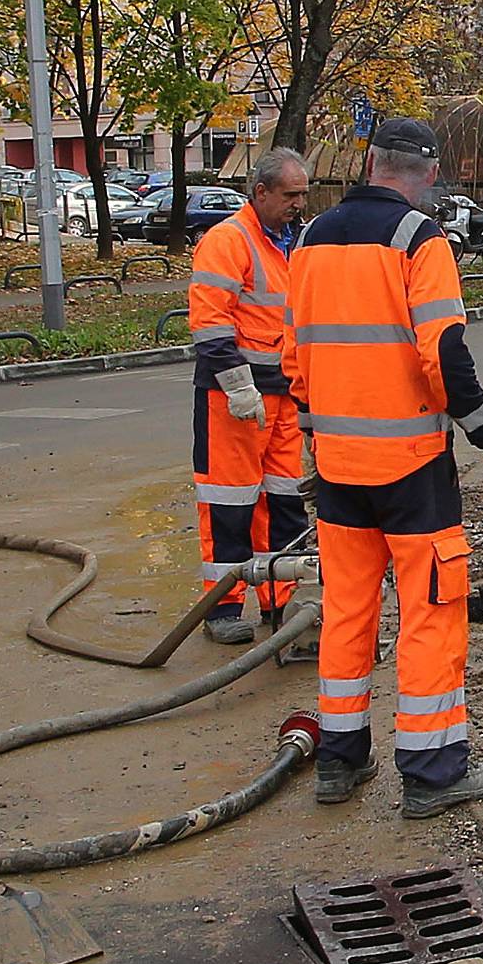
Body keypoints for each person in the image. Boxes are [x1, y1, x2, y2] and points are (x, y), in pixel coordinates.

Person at [284, 117, 483, 819]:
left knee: (347, 613)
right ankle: (431, 771)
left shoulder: (310, 239)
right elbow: (443, 355)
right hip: (411, 469)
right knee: (429, 613)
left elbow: (294, 358)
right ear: (424, 174)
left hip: (337, 467)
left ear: (370, 163)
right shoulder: (420, 241)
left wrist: (313, 439)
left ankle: (339, 760)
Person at [186, 148, 312, 646]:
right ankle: (224, 604)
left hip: (282, 396)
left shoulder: (296, 243)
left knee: (284, 503)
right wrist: (238, 386)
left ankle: (279, 599)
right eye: (291, 195)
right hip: (233, 401)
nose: (299, 204)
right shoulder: (227, 241)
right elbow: (210, 323)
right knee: (229, 504)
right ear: (260, 193)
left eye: (302, 194)